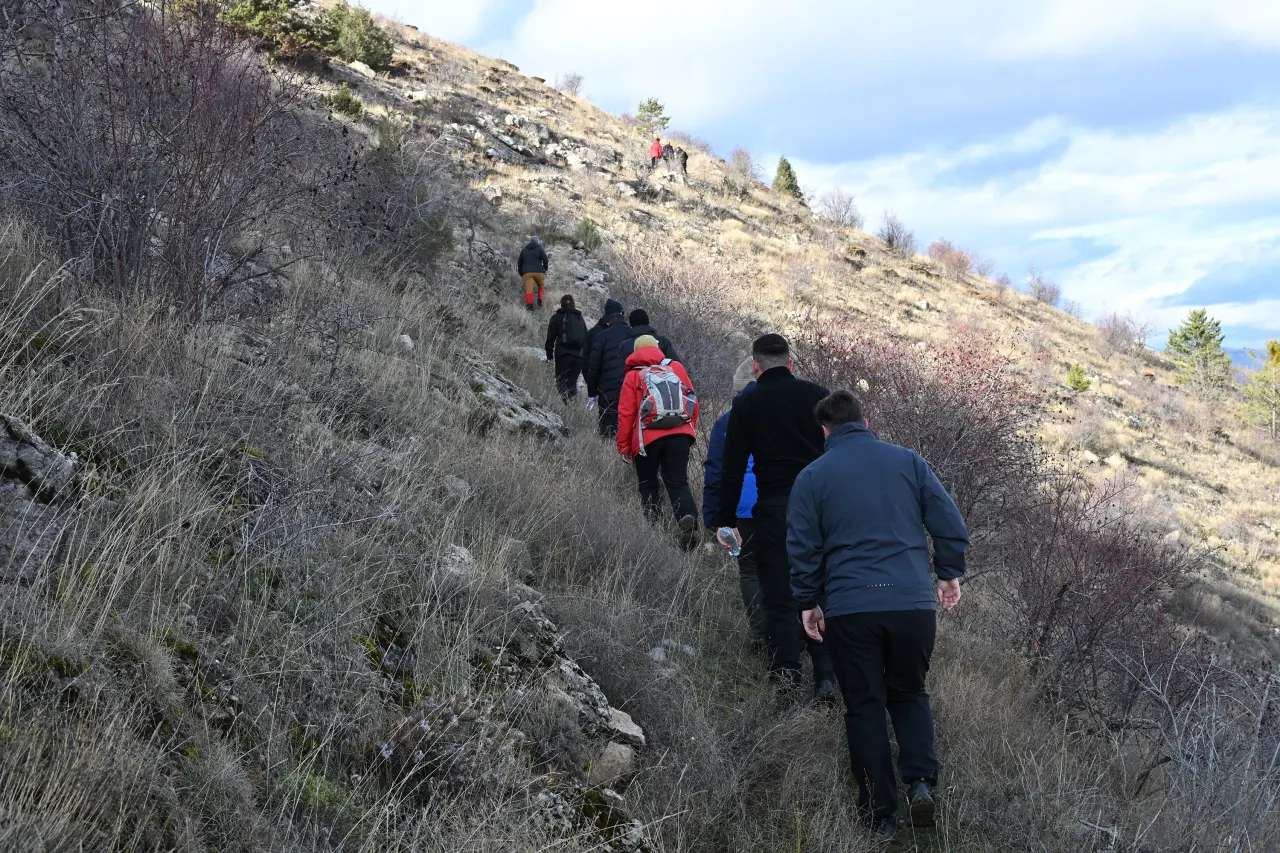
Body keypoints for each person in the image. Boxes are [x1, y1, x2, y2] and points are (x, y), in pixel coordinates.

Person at [788, 390, 969, 843]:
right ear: (865, 422)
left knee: (865, 706)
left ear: (825, 431)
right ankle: (921, 784)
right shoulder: (908, 461)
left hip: (851, 609)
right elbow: (948, 520)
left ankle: (880, 816)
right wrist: (948, 574)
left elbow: (802, 546)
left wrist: (807, 600)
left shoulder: (812, 476)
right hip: (911, 604)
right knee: (908, 693)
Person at [716, 333, 837, 699]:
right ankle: (825, 676)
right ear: (791, 363)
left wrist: (725, 520)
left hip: (773, 509)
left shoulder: (748, 402)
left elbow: (733, 466)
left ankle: (786, 676)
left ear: (755, 367)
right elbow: (840, 450)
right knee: (821, 589)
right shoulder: (818, 395)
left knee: (779, 591)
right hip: (820, 509)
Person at [703, 358, 767, 650]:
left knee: (750, 570)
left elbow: (715, 470)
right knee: (786, 568)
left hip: (743, 509)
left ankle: (761, 637)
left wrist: (713, 517)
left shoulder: (726, 421)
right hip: (783, 506)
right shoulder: (788, 415)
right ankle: (792, 635)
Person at [616, 335, 700, 550]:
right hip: (680, 435)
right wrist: (689, 429)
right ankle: (687, 517)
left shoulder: (633, 376)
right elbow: (693, 401)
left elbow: (626, 414)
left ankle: (656, 533)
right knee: (678, 482)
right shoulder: (676, 368)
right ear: (657, 349)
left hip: (647, 439)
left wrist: (624, 446)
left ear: (634, 352)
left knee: (648, 485)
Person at [587, 308, 679, 439]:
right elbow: (677, 368)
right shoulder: (663, 342)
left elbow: (619, 374)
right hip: (660, 400)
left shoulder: (625, 345)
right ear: (648, 322)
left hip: (631, 397)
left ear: (631, 325)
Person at [584, 299, 632, 437]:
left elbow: (593, 367)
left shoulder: (601, 336)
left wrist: (593, 392)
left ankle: (607, 454)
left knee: (608, 429)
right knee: (628, 423)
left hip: (607, 390)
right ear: (622, 314)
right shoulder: (633, 334)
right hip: (630, 387)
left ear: (607, 317)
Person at [544, 294, 588, 401]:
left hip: (563, 355)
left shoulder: (557, 317)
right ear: (573, 304)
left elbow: (550, 338)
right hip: (579, 357)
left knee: (561, 382)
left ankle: (564, 406)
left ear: (561, 304)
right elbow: (587, 338)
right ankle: (572, 408)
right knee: (572, 384)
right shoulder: (580, 318)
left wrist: (549, 355)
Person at [518, 236, 549, 310]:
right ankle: (540, 300)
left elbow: (519, 263)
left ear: (530, 241)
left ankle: (529, 306)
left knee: (529, 290)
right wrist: (545, 269)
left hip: (527, 273)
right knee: (541, 286)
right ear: (537, 242)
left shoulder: (524, 250)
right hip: (539, 272)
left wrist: (521, 273)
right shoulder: (540, 249)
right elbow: (546, 260)